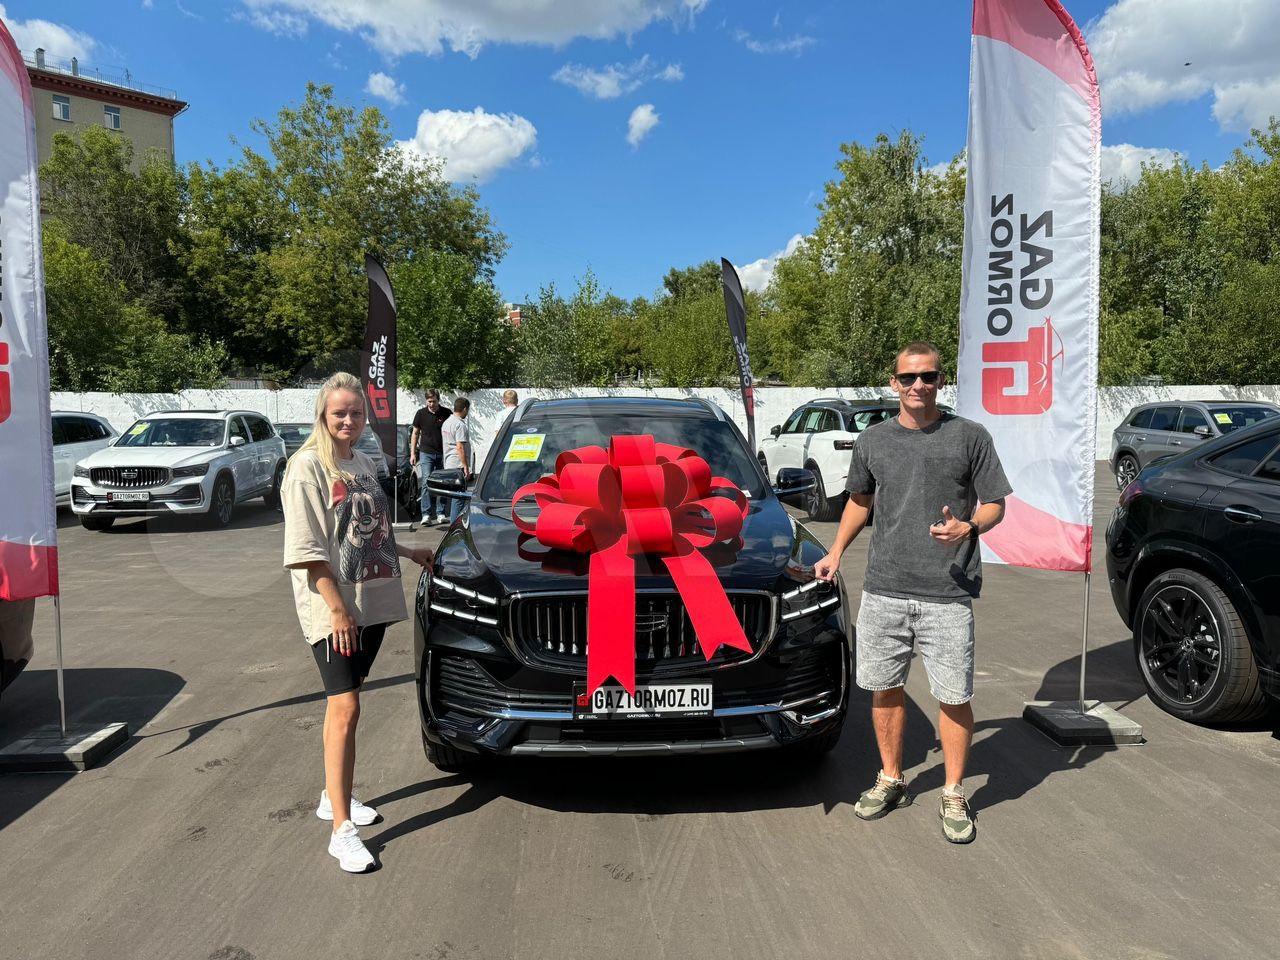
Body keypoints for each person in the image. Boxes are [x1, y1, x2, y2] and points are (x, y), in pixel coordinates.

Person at [815, 342, 1010, 844]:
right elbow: (860, 501)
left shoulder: (969, 436)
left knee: (954, 696)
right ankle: (891, 778)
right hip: (885, 588)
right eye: (908, 377)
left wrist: (968, 526)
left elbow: (995, 503)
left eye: (928, 376)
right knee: (884, 689)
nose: (918, 385)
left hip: (948, 591)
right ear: (893, 382)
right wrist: (835, 551)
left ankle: (953, 791)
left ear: (941, 380)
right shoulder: (873, 440)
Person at [281, 372, 433, 873]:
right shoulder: (306, 467)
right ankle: (341, 831)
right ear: (323, 415)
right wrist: (336, 609)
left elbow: (371, 531)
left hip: (372, 602)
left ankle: (334, 796)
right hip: (336, 609)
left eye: (356, 412)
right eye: (339, 413)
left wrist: (409, 551)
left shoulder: (362, 462)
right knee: (345, 706)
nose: (349, 420)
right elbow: (306, 549)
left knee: (344, 704)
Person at [410, 390, 451, 526]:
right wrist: (412, 453)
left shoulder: (446, 413)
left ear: (438, 400)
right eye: (429, 401)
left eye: (434, 401)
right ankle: (426, 514)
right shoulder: (420, 414)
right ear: (426, 401)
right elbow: (415, 433)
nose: (432, 404)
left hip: (443, 453)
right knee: (426, 481)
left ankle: (441, 513)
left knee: (442, 483)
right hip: (426, 452)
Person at [440, 396, 472, 525]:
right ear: (464, 409)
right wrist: (465, 466)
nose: (467, 412)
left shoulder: (447, 422)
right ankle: (455, 526)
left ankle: (455, 525)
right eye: (467, 410)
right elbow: (460, 447)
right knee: (459, 498)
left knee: (455, 496)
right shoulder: (460, 424)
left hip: (449, 463)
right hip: (458, 464)